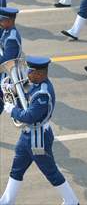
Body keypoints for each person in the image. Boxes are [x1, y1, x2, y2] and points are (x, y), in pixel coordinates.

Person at [0, 56, 79, 205]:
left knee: (51, 172)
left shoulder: (42, 94)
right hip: (27, 137)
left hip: (38, 140)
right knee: (17, 168)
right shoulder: (35, 84)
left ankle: (72, 201)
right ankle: (7, 200)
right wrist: (11, 90)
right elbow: (24, 92)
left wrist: (12, 110)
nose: (27, 75)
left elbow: (29, 116)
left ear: (39, 74)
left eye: (30, 72)